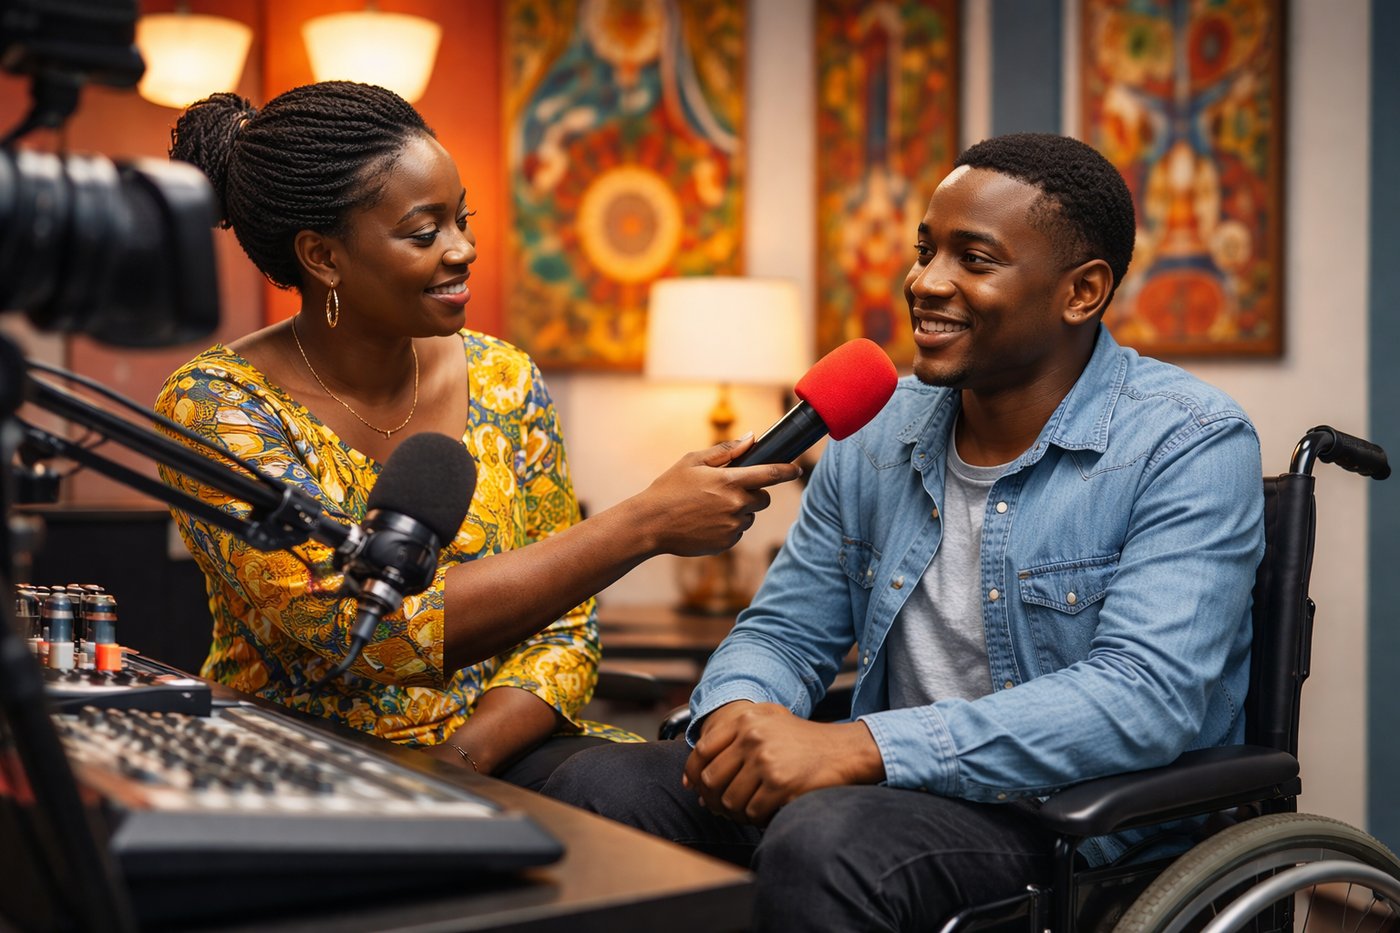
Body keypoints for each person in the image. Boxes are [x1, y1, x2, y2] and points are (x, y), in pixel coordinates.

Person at [541, 132, 1266, 930]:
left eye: (974, 259)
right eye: (926, 250)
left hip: (1077, 830)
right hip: (888, 793)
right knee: (598, 788)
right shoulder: (877, 428)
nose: (925, 282)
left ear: (1082, 291)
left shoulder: (1188, 441)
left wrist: (861, 748)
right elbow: (784, 631)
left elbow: (1142, 699)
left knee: (824, 841)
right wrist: (736, 720)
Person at [154, 81, 798, 790]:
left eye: (463, 220)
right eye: (425, 232)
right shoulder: (216, 406)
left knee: (679, 804)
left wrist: (461, 761)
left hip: (498, 751)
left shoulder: (504, 377)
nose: (463, 249)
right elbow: (365, 634)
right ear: (323, 256)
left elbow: (564, 632)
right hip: (302, 765)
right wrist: (643, 522)